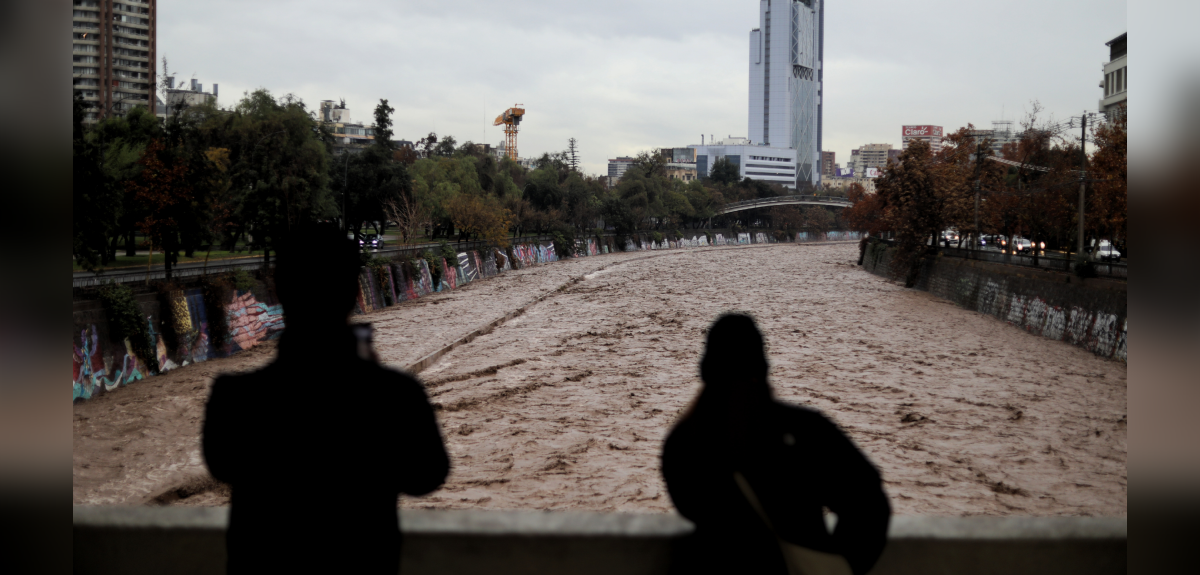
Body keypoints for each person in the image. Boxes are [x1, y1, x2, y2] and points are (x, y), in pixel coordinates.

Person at [202, 223, 449, 573]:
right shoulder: (397, 395)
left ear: (279, 289)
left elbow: (222, 465)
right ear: (353, 292)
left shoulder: (234, 399)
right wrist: (373, 379)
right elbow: (426, 476)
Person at [661, 314, 890, 575]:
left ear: (707, 371)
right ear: (762, 367)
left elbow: (691, 510)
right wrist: (842, 562)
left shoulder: (683, 441)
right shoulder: (807, 429)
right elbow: (869, 503)